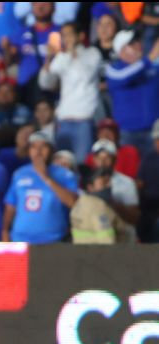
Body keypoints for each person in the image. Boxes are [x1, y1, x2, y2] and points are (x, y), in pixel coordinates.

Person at [38, 21, 101, 164]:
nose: (66, 39)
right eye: (63, 35)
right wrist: (48, 59)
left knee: (81, 163)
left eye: (69, 34)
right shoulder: (61, 57)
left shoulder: (92, 54)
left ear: (81, 35)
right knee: (61, 163)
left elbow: (86, 75)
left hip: (83, 120)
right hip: (63, 120)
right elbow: (45, 83)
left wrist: (73, 52)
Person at [2, 131, 78, 243]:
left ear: (52, 151)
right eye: (34, 147)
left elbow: (72, 202)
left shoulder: (65, 174)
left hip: (53, 240)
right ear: (29, 151)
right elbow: (10, 205)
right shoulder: (19, 173)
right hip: (20, 239)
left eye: (43, 147)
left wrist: (45, 177)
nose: (38, 151)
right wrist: (4, 231)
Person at [105, 30, 159, 158]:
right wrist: (150, 57)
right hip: (127, 133)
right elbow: (127, 76)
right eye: (131, 43)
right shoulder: (114, 70)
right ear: (120, 50)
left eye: (137, 42)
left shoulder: (151, 67)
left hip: (154, 132)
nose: (137, 45)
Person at [90, 138, 141, 231]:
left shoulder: (127, 182)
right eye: (99, 158)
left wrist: (109, 199)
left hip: (121, 232)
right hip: (95, 233)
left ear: (115, 159)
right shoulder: (88, 182)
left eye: (107, 158)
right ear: (93, 159)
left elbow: (134, 218)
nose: (102, 162)